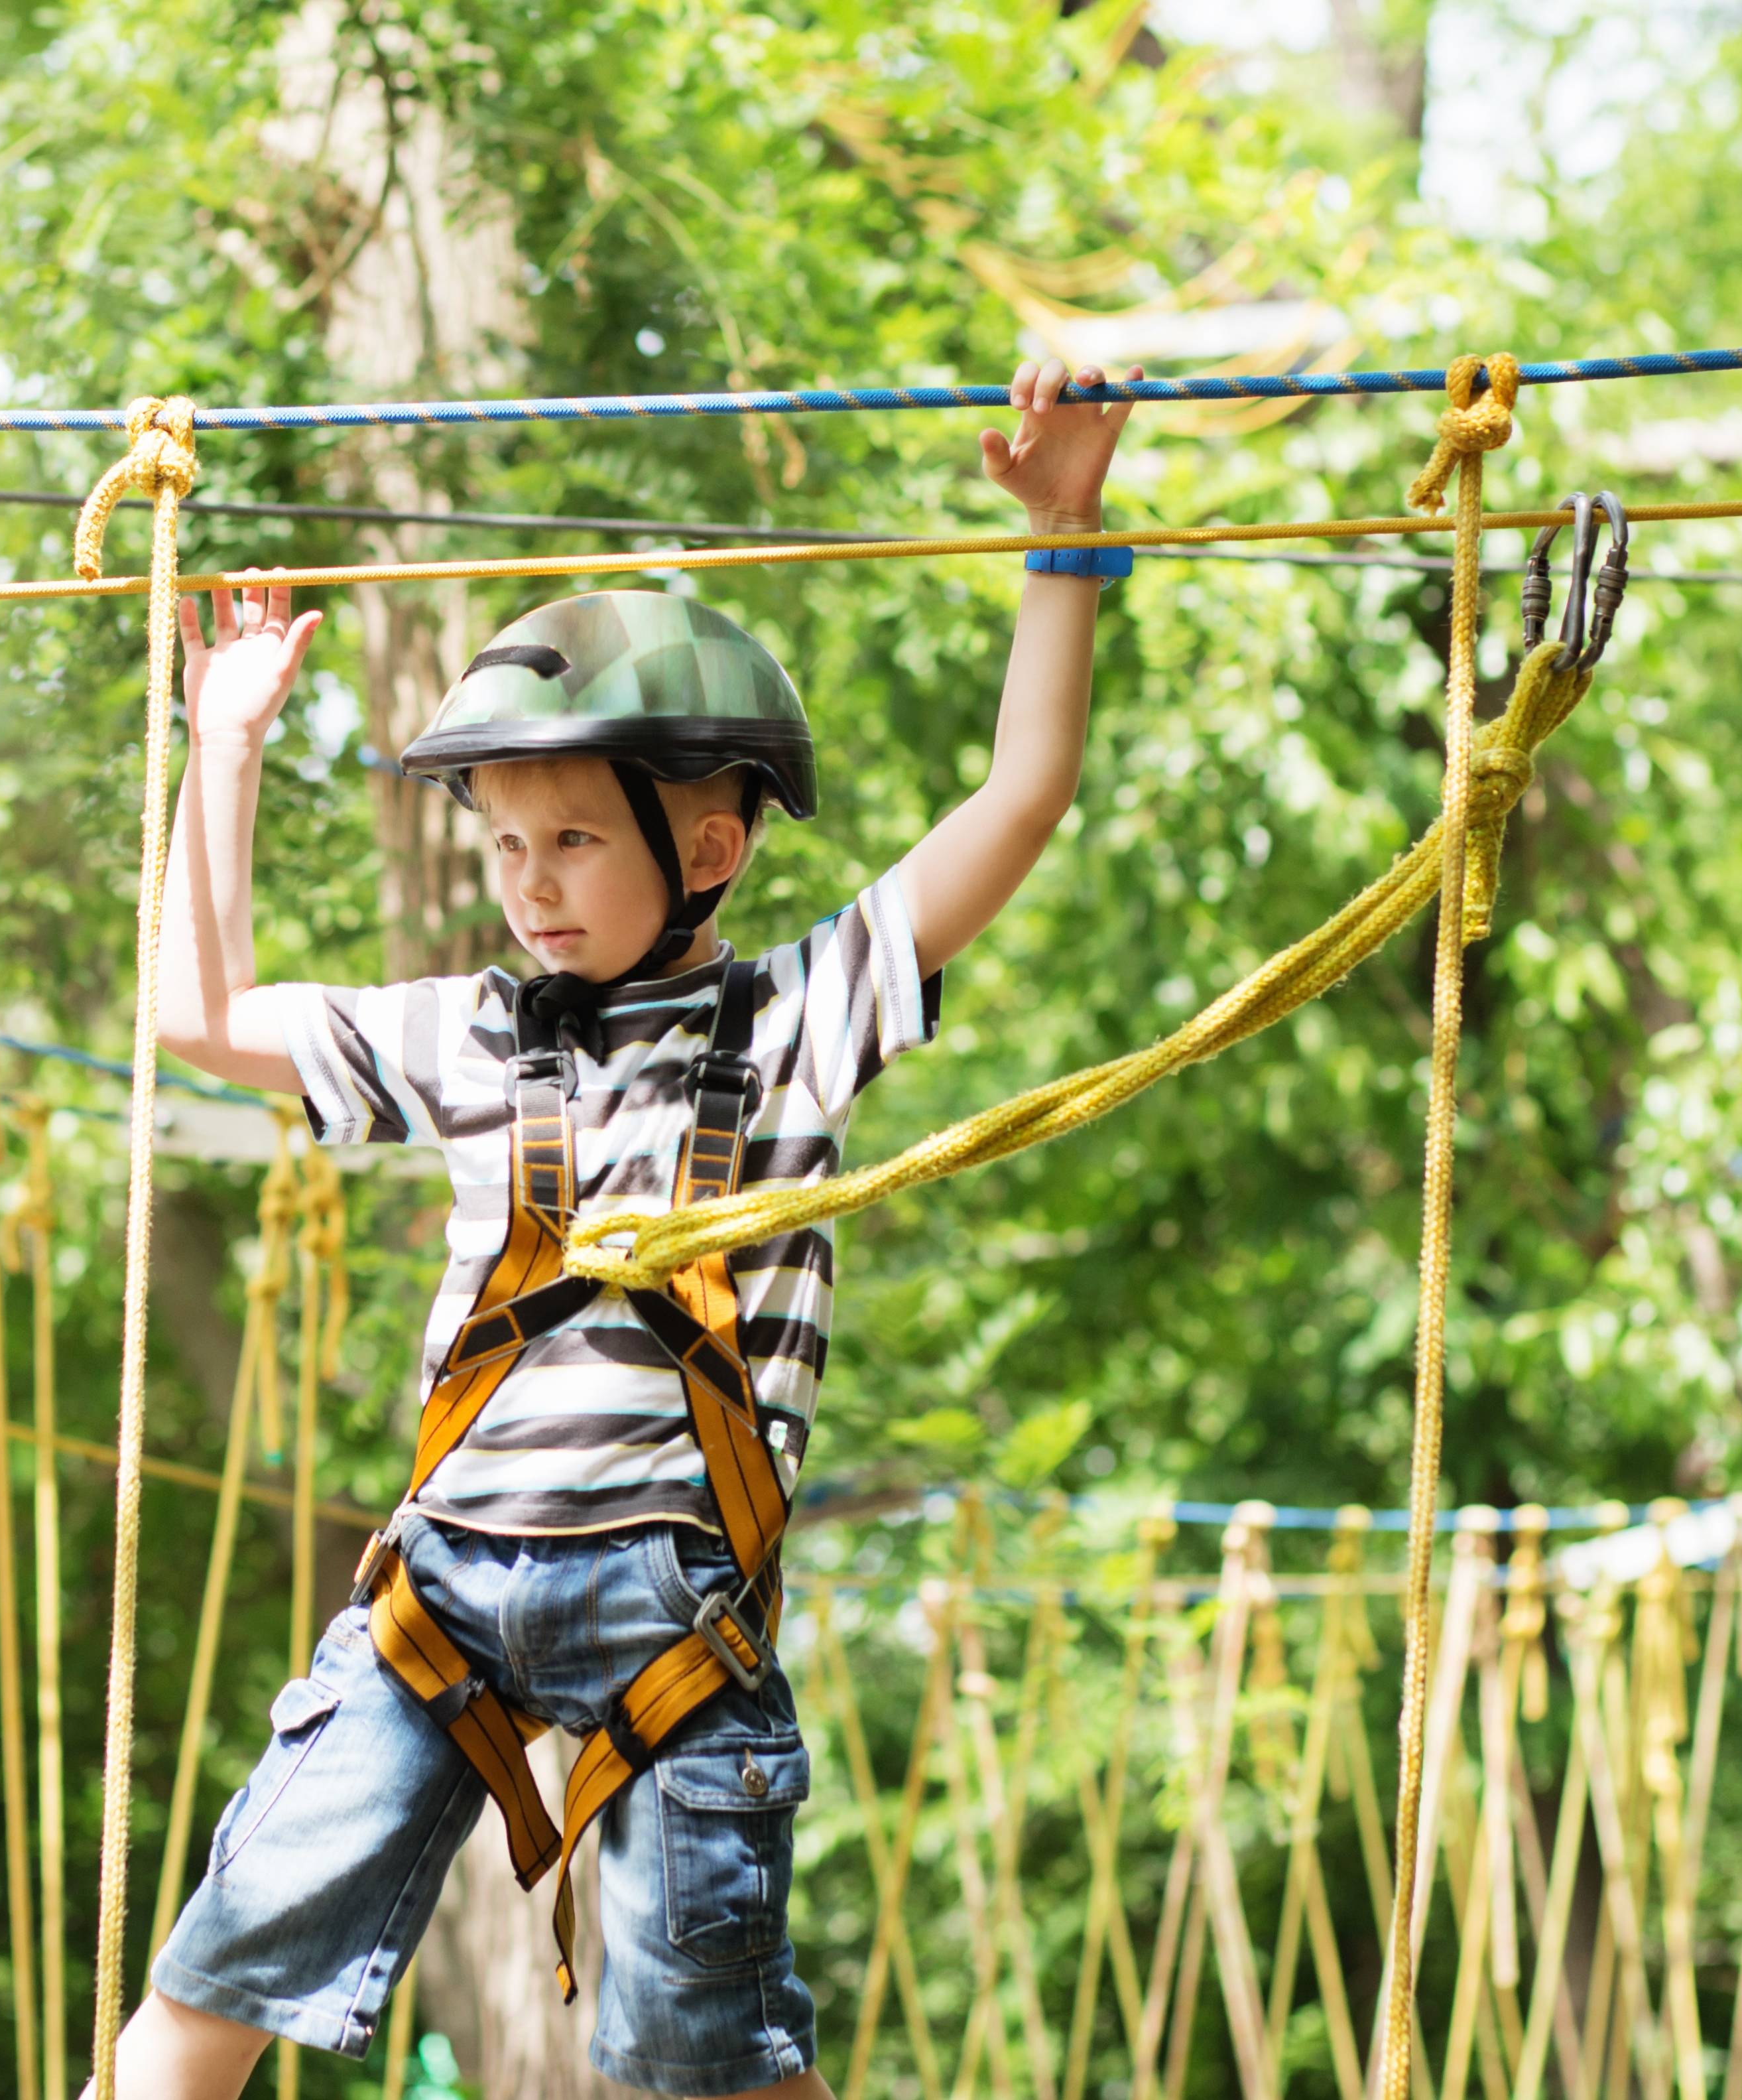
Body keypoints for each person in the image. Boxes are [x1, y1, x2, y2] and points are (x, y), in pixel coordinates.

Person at [132, 360, 1142, 2099]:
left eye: (577, 838)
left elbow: (1019, 802)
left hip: (672, 1603)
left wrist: (1062, 540)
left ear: (721, 839)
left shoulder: (796, 1025)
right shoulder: (473, 1031)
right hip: (440, 1582)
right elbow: (197, 1014)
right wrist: (221, 745)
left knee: (703, 2053)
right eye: (509, 841)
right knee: (222, 1968)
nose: (529, 881)